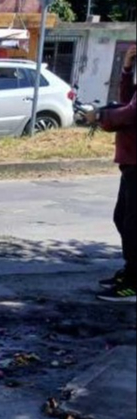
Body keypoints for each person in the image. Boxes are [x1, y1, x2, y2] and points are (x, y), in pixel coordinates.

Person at [86, 45, 136, 303]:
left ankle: (133, 284)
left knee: (133, 226)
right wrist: (127, 69)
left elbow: (131, 112)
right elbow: (128, 100)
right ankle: (130, 272)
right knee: (123, 220)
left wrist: (101, 116)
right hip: (130, 164)